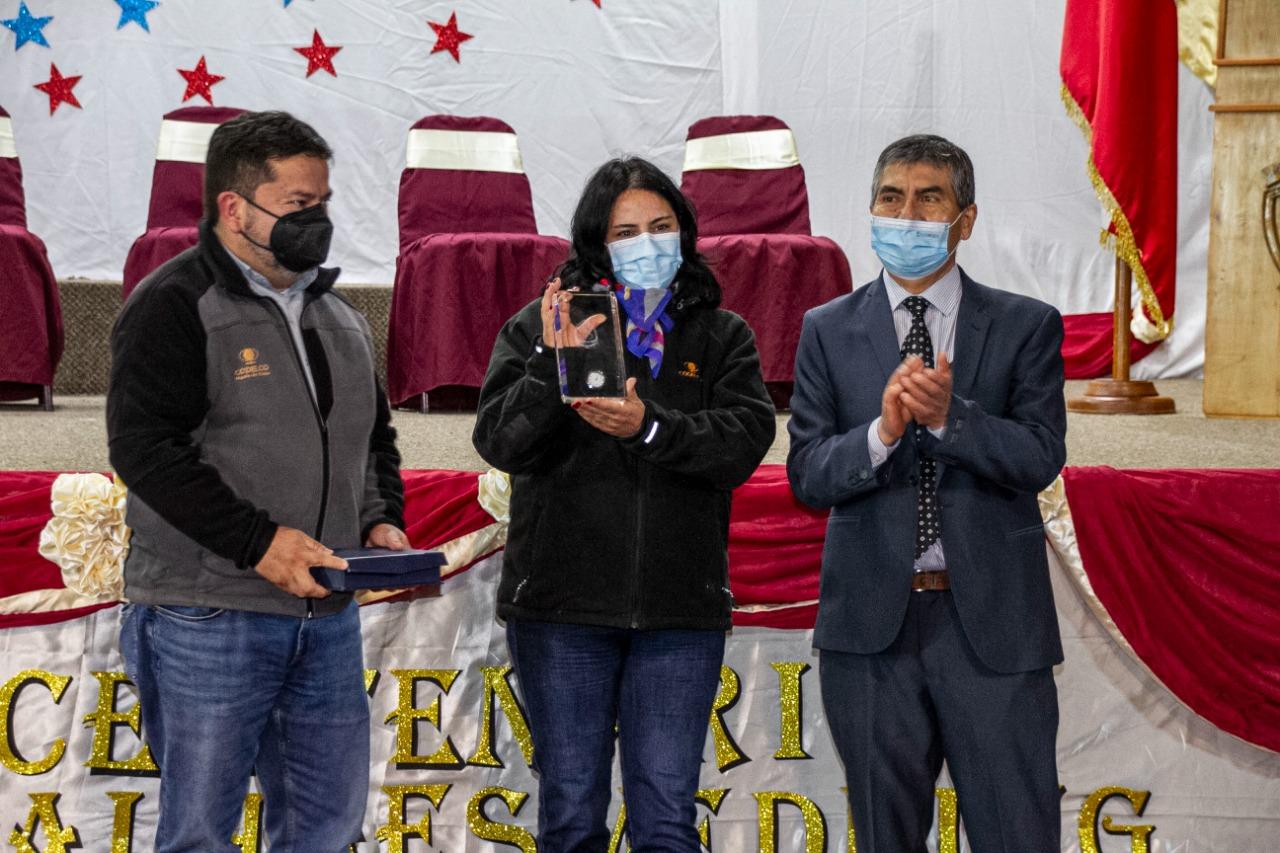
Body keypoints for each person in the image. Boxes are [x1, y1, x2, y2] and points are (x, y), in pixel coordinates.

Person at [107, 110, 406, 852]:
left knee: (327, 828)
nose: (320, 222)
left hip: (326, 617)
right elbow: (145, 451)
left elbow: (374, 436)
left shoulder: (339, 313)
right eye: (300, 206)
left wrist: (380, 519)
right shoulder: (173, 304)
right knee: (201, 834)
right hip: (207, 613)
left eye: (325, 203)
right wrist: (258, 542)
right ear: (233, 209)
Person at [472, 156, 776, 851]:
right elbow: (499, 440)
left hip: (678, 611)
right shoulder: (540, 324)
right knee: (573, 815)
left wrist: (650, 427)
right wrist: (555, 368)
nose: (647, 244)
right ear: (595, 243)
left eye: (661, 226)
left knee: (667, 821)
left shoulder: (720, 334)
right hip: (561, 611)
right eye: (627, 231)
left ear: (685, 232)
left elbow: (742, 441)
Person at [786, 134, 1066, 852]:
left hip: (993, 631)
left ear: (965, 219)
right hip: (872, 634)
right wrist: (880, 433)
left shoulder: (1025, 325)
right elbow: (810, 472)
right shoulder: (826, 329)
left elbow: (1039, 455)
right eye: (891, 197)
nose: (906, 215)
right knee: (885, 836)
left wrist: (951, 418)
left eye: (928, 198)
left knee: (1017, 834)